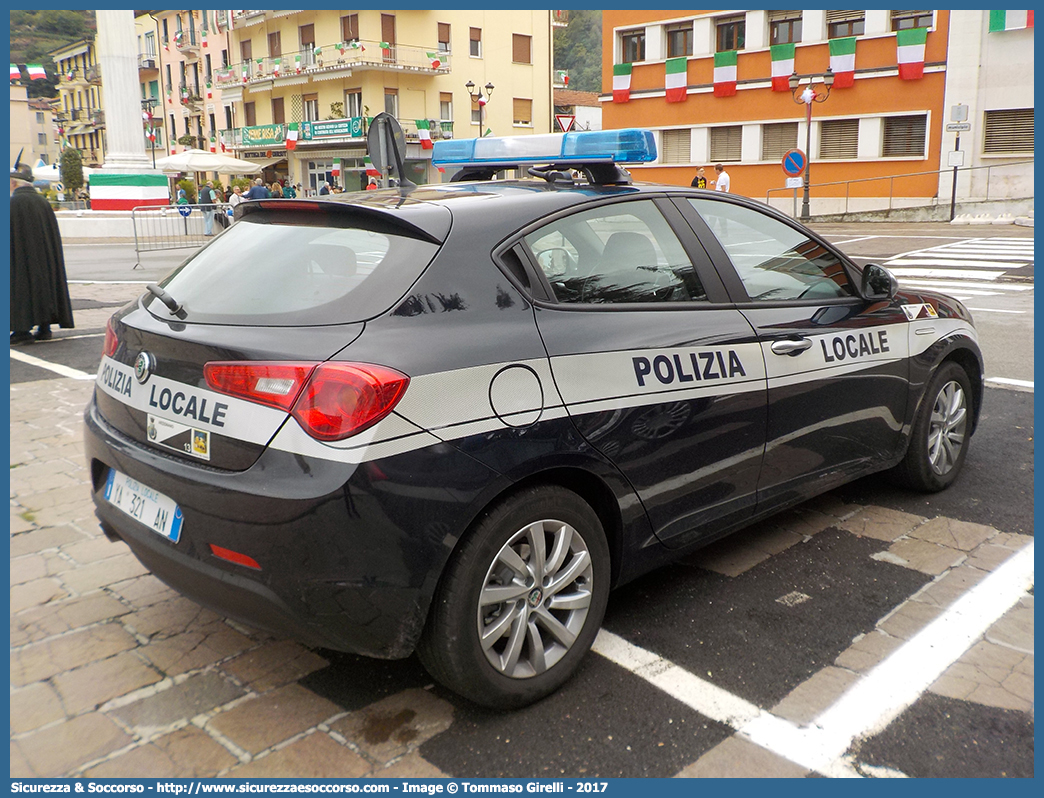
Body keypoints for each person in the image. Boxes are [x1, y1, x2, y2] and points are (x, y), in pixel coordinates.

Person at [10, 153, 74, 345]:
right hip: (45, 258)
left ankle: (21, 330)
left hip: (21, 258)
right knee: (44, 285)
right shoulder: (43, 203)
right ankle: (44, 327)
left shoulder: (13, 204)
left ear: (14, 184)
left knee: (20, 286)